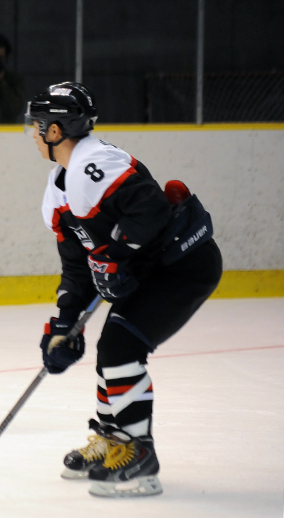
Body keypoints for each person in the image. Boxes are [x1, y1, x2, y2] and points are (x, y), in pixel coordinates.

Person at [26, 82, 222, 497]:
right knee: (112, 349)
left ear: (56, 131)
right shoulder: (58, 186)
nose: (33, 133)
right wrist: (63, 322)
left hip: (183, 265)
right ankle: (113, 440)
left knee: (120, 348)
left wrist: (115, 256)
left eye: (38, 125)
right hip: (154, 269)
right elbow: (77, 266)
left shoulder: (93, 162)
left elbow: (150, 209)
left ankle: (139, 458)